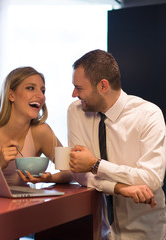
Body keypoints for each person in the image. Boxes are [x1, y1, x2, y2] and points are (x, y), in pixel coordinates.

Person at [67, 49, 166, 240]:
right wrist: (120, 188)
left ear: (103, 86)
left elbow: (152, 179)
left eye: (79, 88)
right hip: (99, 229)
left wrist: (96, 165)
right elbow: (79, 173)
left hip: (145, 231)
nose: (74, 94)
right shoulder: (76, 112)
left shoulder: (149, 115)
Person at [0, 66, 72, 195]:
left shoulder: (42, 132)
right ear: (11, 95)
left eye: (43, 90)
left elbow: (71, 172)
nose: (40, 96)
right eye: (30, 88)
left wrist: (49, 178)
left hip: (13, 211)